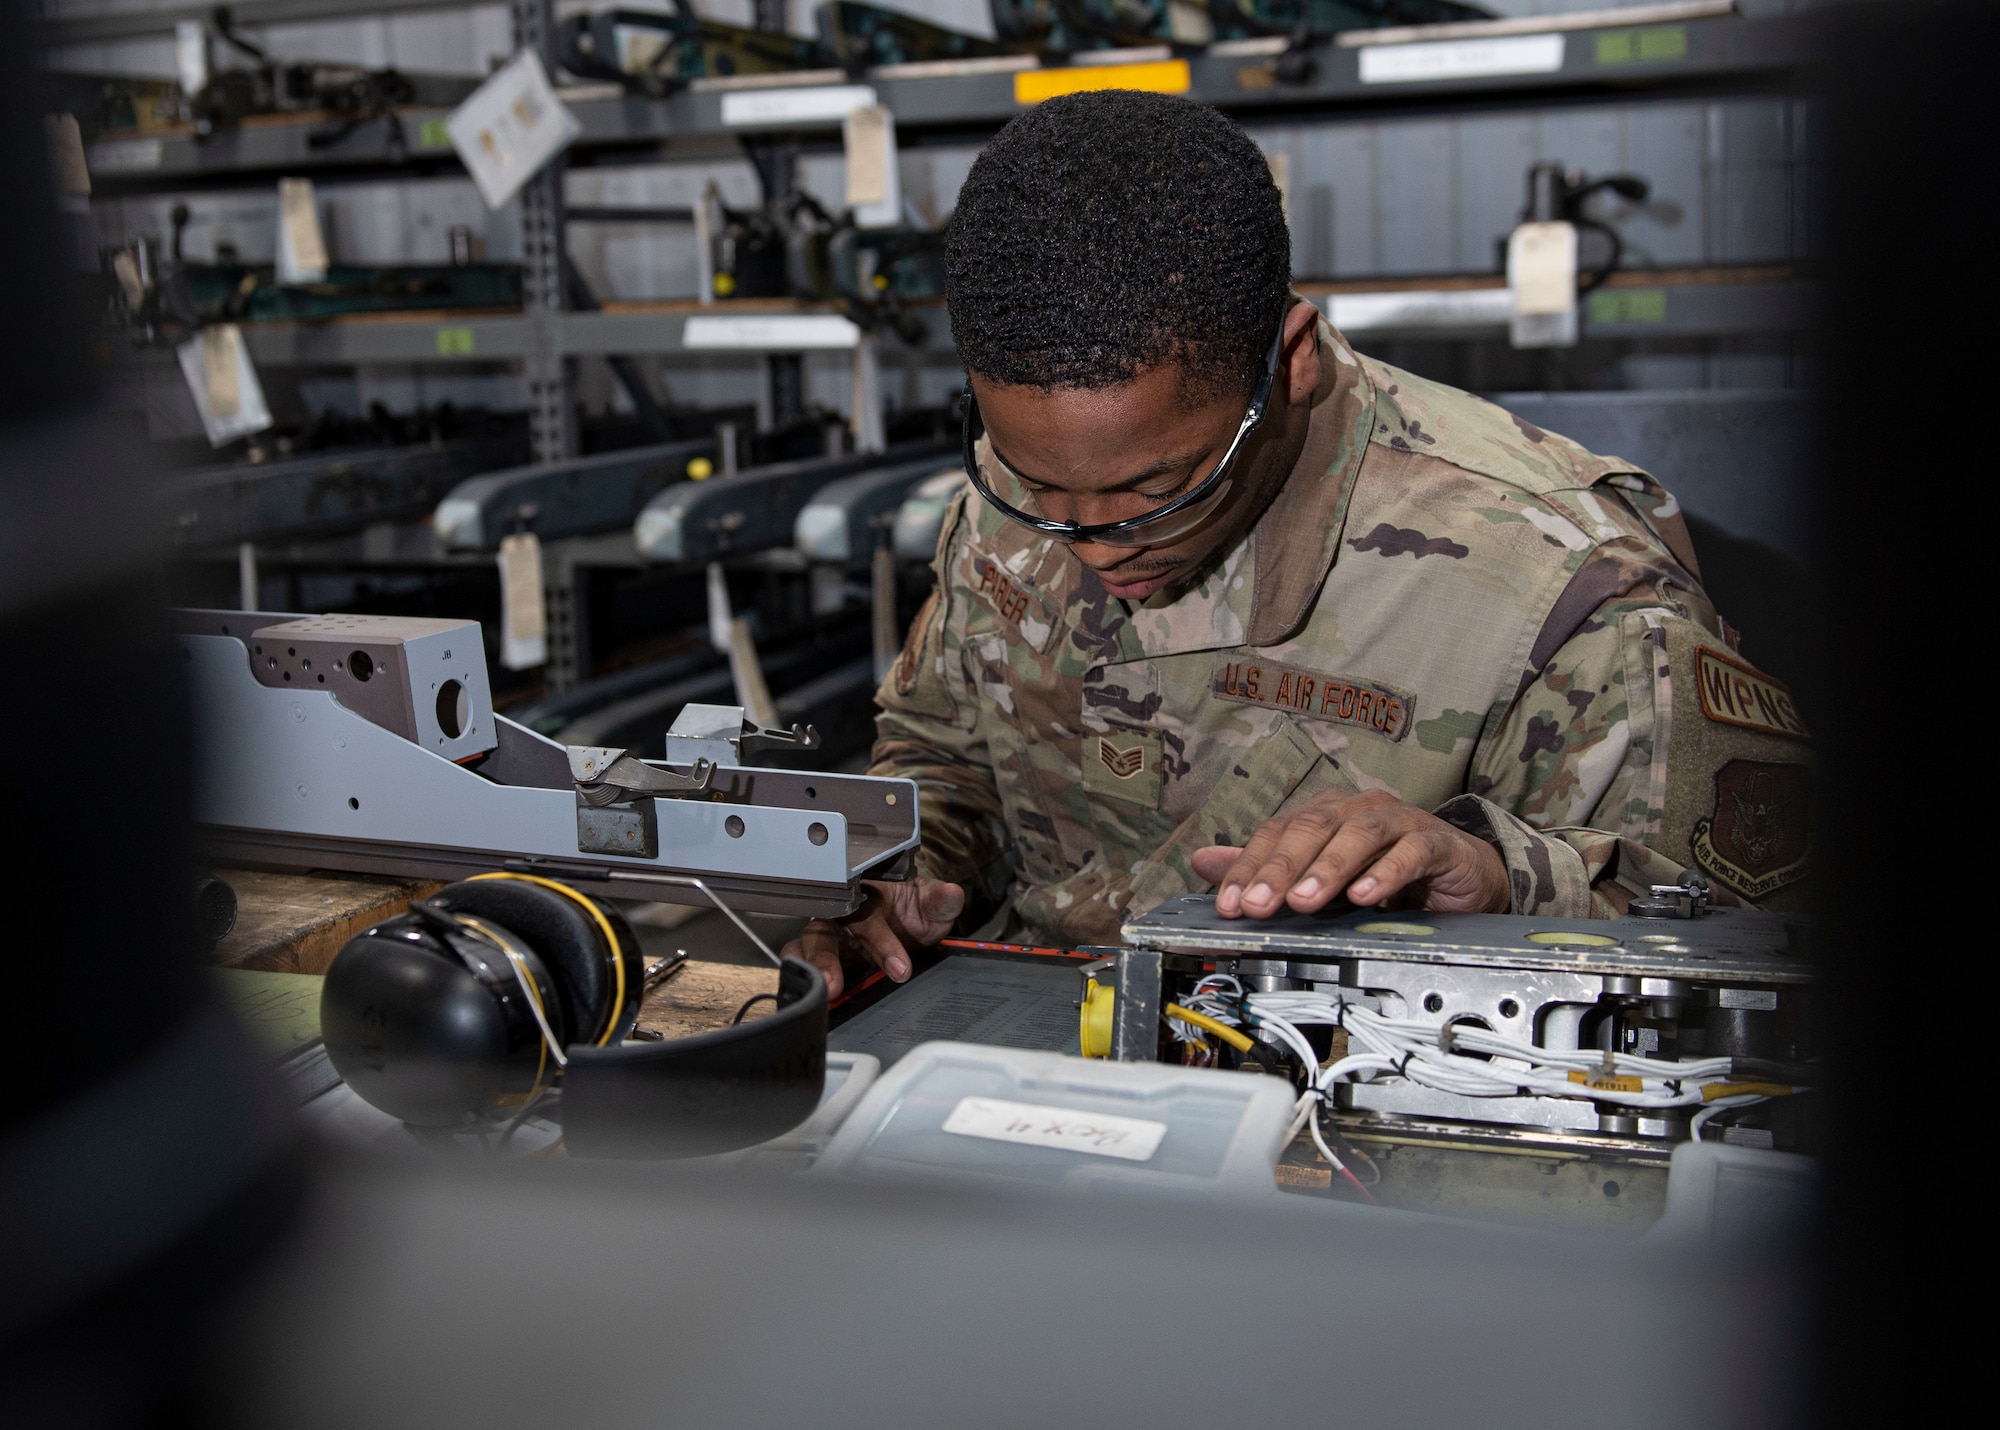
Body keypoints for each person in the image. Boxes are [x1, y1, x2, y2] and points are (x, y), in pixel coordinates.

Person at [785, 90, 1811, 996]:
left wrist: (1496, 882)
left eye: (1158, 487)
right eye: (1041, 484)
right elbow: (942, 745)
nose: (1090, 540)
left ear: (1291, 362)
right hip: (1027, 1036)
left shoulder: (1564, 584)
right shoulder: (1029, 482)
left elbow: (1749, 949)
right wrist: (891, 880)